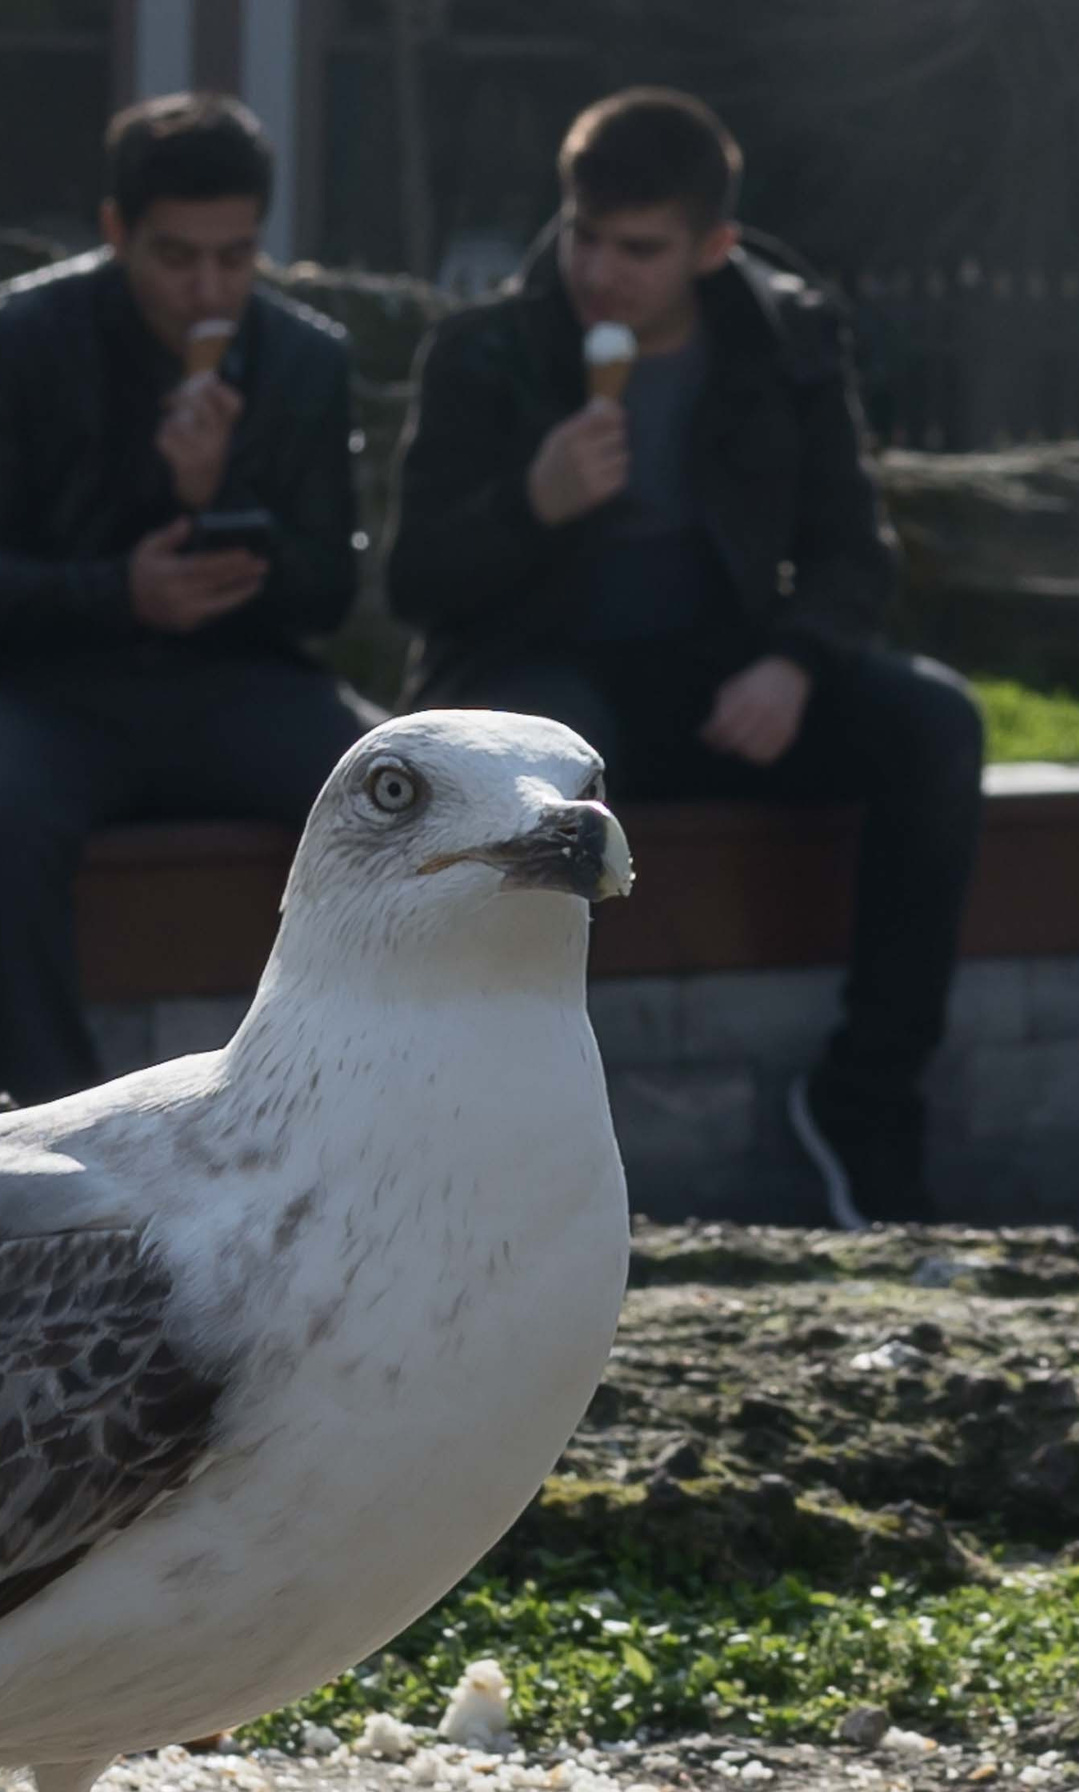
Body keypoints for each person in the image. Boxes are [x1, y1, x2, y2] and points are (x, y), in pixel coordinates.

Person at [386, 87, 983, 1227]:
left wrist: (797, 662)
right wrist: (532, 501)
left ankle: (865, 1102)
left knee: (935, 725)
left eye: (639, 249)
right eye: (584, 236)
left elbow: (856, 553)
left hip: (720, 678)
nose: (601, 272)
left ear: (711, 247)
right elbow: (413, 586)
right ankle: (504, 1136)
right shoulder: (487, 351)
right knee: (550, 785)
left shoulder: (786, 340)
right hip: (539, 676)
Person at [0, 92, 369, 1104]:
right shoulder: (14, 339)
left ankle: (349, 1092)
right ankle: (49, 1110)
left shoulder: (303, 358)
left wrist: (216, 499)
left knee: (389, 797)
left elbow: (329, 593)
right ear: (115, 233)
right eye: (177, 258)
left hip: (230, 679)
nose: (208, 288)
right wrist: (122, 592)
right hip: (23, 683)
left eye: (234, 257)